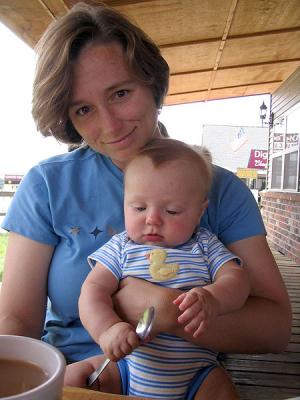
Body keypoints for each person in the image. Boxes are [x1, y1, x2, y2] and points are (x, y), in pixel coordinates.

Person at [0, 0, 291, 394]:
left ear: (152, 83)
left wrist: (164, 311)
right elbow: (16, 323)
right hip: (84, 376)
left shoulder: (218, 189)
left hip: (188, 374)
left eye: (120, 93)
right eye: (83, 109)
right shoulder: (47, 186)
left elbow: (274, 330)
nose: (110, 124)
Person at [76, 138, 249, 399]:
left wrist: (214, 297)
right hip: (127, 366)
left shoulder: (204, 245)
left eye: (172, 210)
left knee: (223, 391)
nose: (152, 219)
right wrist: (107, 329)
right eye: (139, 207)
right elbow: (92, 291)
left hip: (197, 375)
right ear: (125, 203)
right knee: (73, 378)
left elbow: (237, 279)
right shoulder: (121, 247)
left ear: (199, 212)